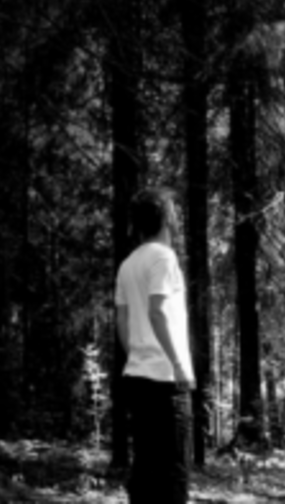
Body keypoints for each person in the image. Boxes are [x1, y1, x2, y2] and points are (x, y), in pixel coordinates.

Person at [115, 187, 195, 503]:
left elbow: (122, 320)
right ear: (166, 219)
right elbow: (157, 311)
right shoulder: (164, 257)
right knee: (174, 470)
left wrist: (136, 355)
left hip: (137, 378)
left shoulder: (127, 264)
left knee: (145, 469)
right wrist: (178, 365)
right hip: (166, 381)